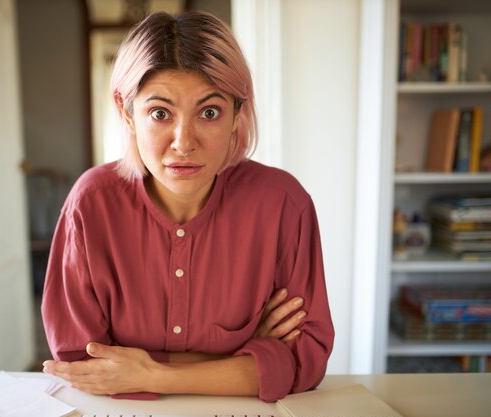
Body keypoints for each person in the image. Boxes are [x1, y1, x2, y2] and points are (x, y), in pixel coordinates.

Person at [41, 11, 334, 402]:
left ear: (236, 114)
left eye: (209, 112)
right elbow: (82, 362)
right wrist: (241, 360)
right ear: (127, 112)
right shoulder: (90, 204)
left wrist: (152, 374)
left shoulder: (283, 204)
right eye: (160, 113)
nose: (184, 142)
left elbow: (305, 360)